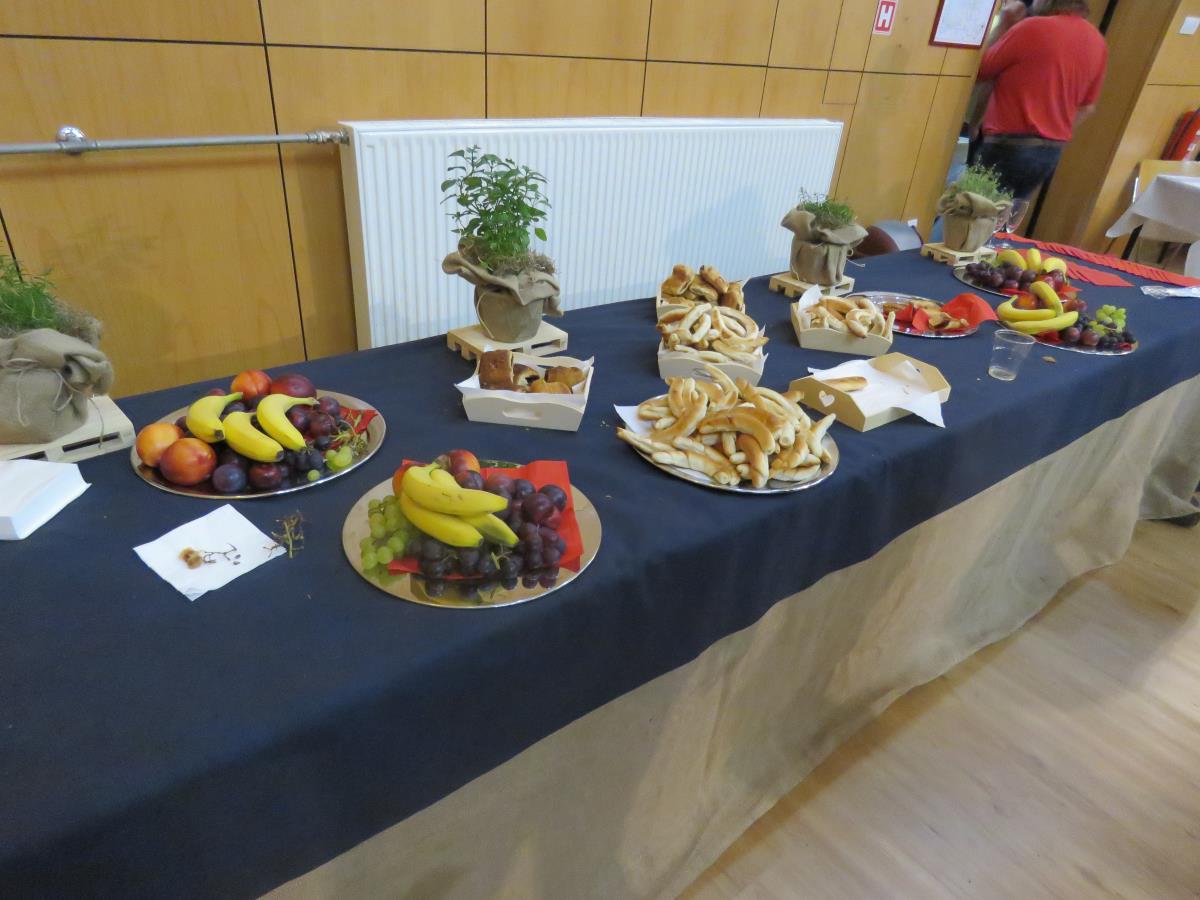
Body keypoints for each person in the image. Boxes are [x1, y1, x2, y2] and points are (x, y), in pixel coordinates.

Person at [972, 0, 1108, 201]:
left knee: (968, 212)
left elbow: (979, 72)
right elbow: (1087, 108)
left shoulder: (1032, 27)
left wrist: (1004, 25)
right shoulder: (1097, 41)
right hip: (1050, 152)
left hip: (1009, 146)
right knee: (1005, 214)